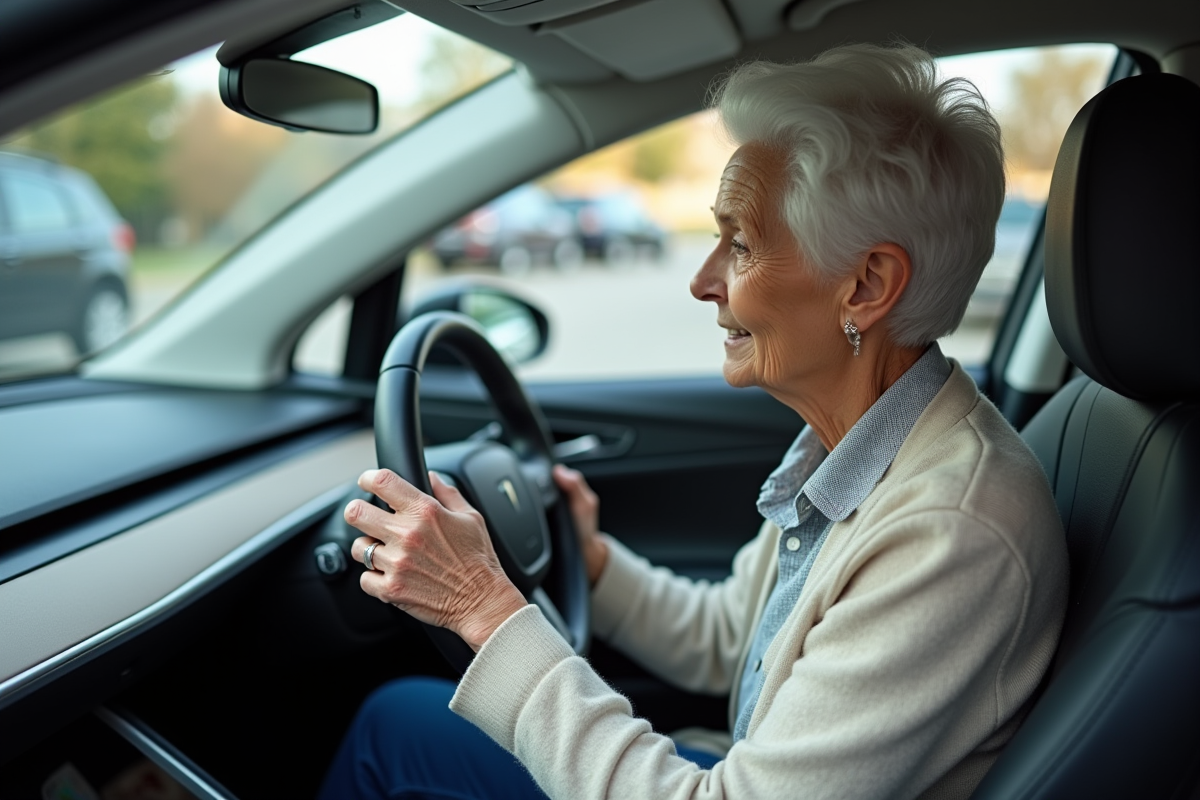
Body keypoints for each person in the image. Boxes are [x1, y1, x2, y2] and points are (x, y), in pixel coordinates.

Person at [320, 42, 1068, 800]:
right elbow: (731, 644)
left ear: (867, 285)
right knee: (405, 718)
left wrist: (483, 605)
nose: (702, 280)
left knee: (393, 731)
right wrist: (595, 564)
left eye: (740, 244)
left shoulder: (948, 532)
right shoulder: (863, 444)